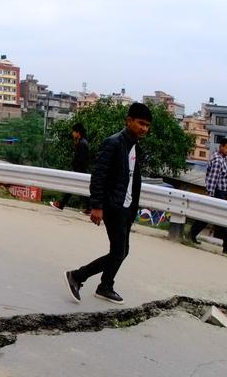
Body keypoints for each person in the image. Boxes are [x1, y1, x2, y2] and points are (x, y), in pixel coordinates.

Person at [64, 102, 153, 304]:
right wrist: (97, 206)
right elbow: (98, 176)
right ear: (129, 120)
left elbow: (131, 179)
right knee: (118, 251)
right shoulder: (113, 143)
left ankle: (105, 285)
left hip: (126, 207)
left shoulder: (134, 146)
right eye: (141, 123)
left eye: (147, 125)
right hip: (113, 206)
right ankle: (78, 276)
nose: (144, 129)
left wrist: (132, 208)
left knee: (122, 251)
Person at [187, 138, 227, 253]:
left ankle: (191, 235)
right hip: (217, 194)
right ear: (221, 147)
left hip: (222, 193)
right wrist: (210, 196)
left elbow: (224, 178)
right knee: (221, 218)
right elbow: (212, 180)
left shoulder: (222, 159)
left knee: (207, 216)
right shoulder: (218, 161)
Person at [51, 122, 91, 211]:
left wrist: (76, 171)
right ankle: (89, 208)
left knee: (73, 188)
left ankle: (61, 204)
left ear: (78, 132)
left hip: (80, 171)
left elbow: (82, 160)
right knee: (76, 189)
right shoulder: (81, 142)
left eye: (73, 132)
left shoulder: (82, 143)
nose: (72, 134)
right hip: (80, 171)